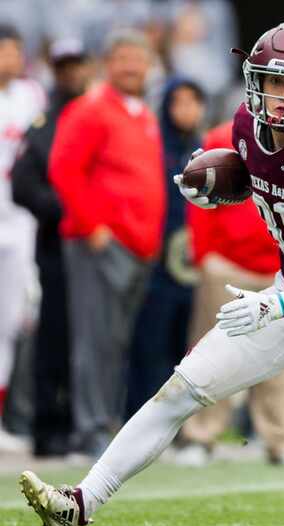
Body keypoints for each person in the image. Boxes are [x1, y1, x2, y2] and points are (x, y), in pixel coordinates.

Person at [20, 22, 284, 526]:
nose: (282, 97)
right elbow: (273, 188)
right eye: (273, 82)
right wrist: (220, 190)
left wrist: (276, 304)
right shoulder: (243, 127)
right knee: (181, 388)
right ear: (253, 80)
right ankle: (79, 502)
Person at [48, 29, 166, 458]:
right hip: (101, 244)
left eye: (140, 57)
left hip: (136, 248)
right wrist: (94, 227)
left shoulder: (143, 115)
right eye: (124, 57)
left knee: (114, 342)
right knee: (95, 341)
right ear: (107, 63)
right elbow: (63, 168)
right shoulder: (91, 109)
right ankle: (90, 430)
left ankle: (103, 425)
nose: (133, 66)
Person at [177, 120, 284, 467]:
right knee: (212, 353)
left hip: (279, 264)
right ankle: (201, 435)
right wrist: (205, 257)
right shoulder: (220, 135)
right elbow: (197, 189)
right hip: (228, 262)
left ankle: (279, 438)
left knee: (283, 356)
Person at [10, 38, 92, 457]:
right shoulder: (46, 124)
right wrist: (66, 211)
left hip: (96, 248)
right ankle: (48, 427)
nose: (72, 73)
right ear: (55, 72)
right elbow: (23, 185)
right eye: (65, 67)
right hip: (58, 247)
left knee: (93, 340)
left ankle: (87, 425)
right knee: (55, 337)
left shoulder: (97, 114)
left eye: (77, 65)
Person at [124, 77, 205, 418]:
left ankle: (178, 423)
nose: (185, 110)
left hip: (192, 260)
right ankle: (140, 417)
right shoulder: (154, 145)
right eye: (178, 102)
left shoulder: (206, 150)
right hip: (158, 261)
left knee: (185, 344)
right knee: (150, 342)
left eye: (192, 101)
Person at [0, 23, 45, 451]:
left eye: (14, 51)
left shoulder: (31, 95)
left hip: (19, 222)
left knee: (12, 322)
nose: (8, 59)